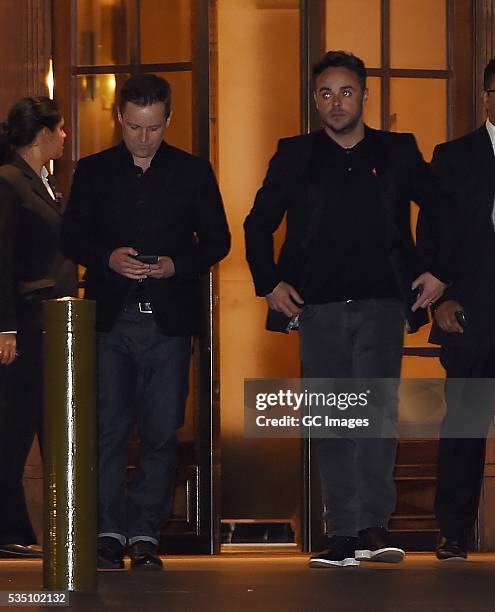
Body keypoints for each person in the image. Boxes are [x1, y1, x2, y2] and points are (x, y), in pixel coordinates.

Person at [244, 50, 452, 568]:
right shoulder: (295, 154)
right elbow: (256, 224)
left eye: (346, 92)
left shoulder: (398, 150)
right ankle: (341, 533)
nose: (336, 102)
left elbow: (448, 209)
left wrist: (439, 272)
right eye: (325, 93)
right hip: (318, 308)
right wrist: (269, 284)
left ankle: (374, 529)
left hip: (384, 303)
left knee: (376, 417)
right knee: (333, 420)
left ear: (364, 95)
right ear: (315, 100)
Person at [62, 74, 230, 571]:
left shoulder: (192, 171)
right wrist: (106, 258)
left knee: (161, 429)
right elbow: (71, 236)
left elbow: (218, 241)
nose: (143, 138)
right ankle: (109, 531)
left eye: (153, 128)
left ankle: (146, 534)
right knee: (110, 428)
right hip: (111, 318)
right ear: (120, 119)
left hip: (169, 321)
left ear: (167, 121)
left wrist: (177, 264)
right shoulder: (93, 171)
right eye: (134, 127)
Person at [0, 96, 77, 558]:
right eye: (61, 129)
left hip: (52, 320)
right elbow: (2, 258)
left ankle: (57, 530)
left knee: (49, 422)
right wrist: (4, 328)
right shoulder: (10, 182)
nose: (65, 137)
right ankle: (8, 529)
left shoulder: (44, 183)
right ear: (43, 134)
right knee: (14, 426)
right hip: (25, 323)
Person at [429, 58, 495, 561]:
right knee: (465, 427)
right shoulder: (452, 157)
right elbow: (433, 235)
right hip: (470, 313)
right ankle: (453, 531)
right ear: (486, 96)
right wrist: (442, 298)